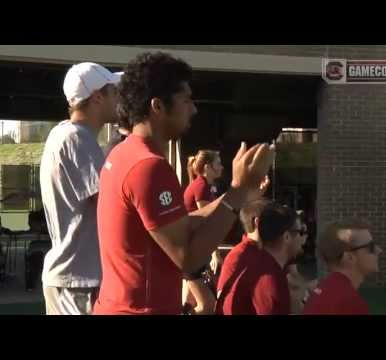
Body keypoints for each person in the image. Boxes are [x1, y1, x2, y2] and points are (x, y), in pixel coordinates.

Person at [93, 51, 274, 315]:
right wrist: (237, 192)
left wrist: (238, 192)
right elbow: (188, 259)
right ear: (157, 106)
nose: (194, 108)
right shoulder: (148, 166)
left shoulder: (124, 153)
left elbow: (180, 225)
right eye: (186, 99)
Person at [39, 62, 121, 315]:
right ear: (97, 97)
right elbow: (109, 202)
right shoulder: (76, 138)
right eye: (115, 93)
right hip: (78, 279)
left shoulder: (68, 135)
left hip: (75, 277)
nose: (120, 99)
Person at [221, 202, 304, 315]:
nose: (304, 237)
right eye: (300, 232)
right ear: (287, 237)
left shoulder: (264, 264)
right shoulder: (269, 275)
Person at [303, 219, 382, 315]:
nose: (379, 250)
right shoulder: (349, 302)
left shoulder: (323, 289)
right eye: (371, 247)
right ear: (349, 257)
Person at [182, 149, 224, 314]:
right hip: (192, 253)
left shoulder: (205, 186)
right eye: (218, 164)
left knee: (188, 305)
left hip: (194, 251)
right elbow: (207, 224)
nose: (221, 167)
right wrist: (216, 253)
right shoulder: (201, 187)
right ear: (207, 167)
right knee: (208, 306)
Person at [216, 198, 271, 314]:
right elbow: (224, 301)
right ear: (257, 222)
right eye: (273, 220)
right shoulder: (238, 256)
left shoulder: (267, 250)